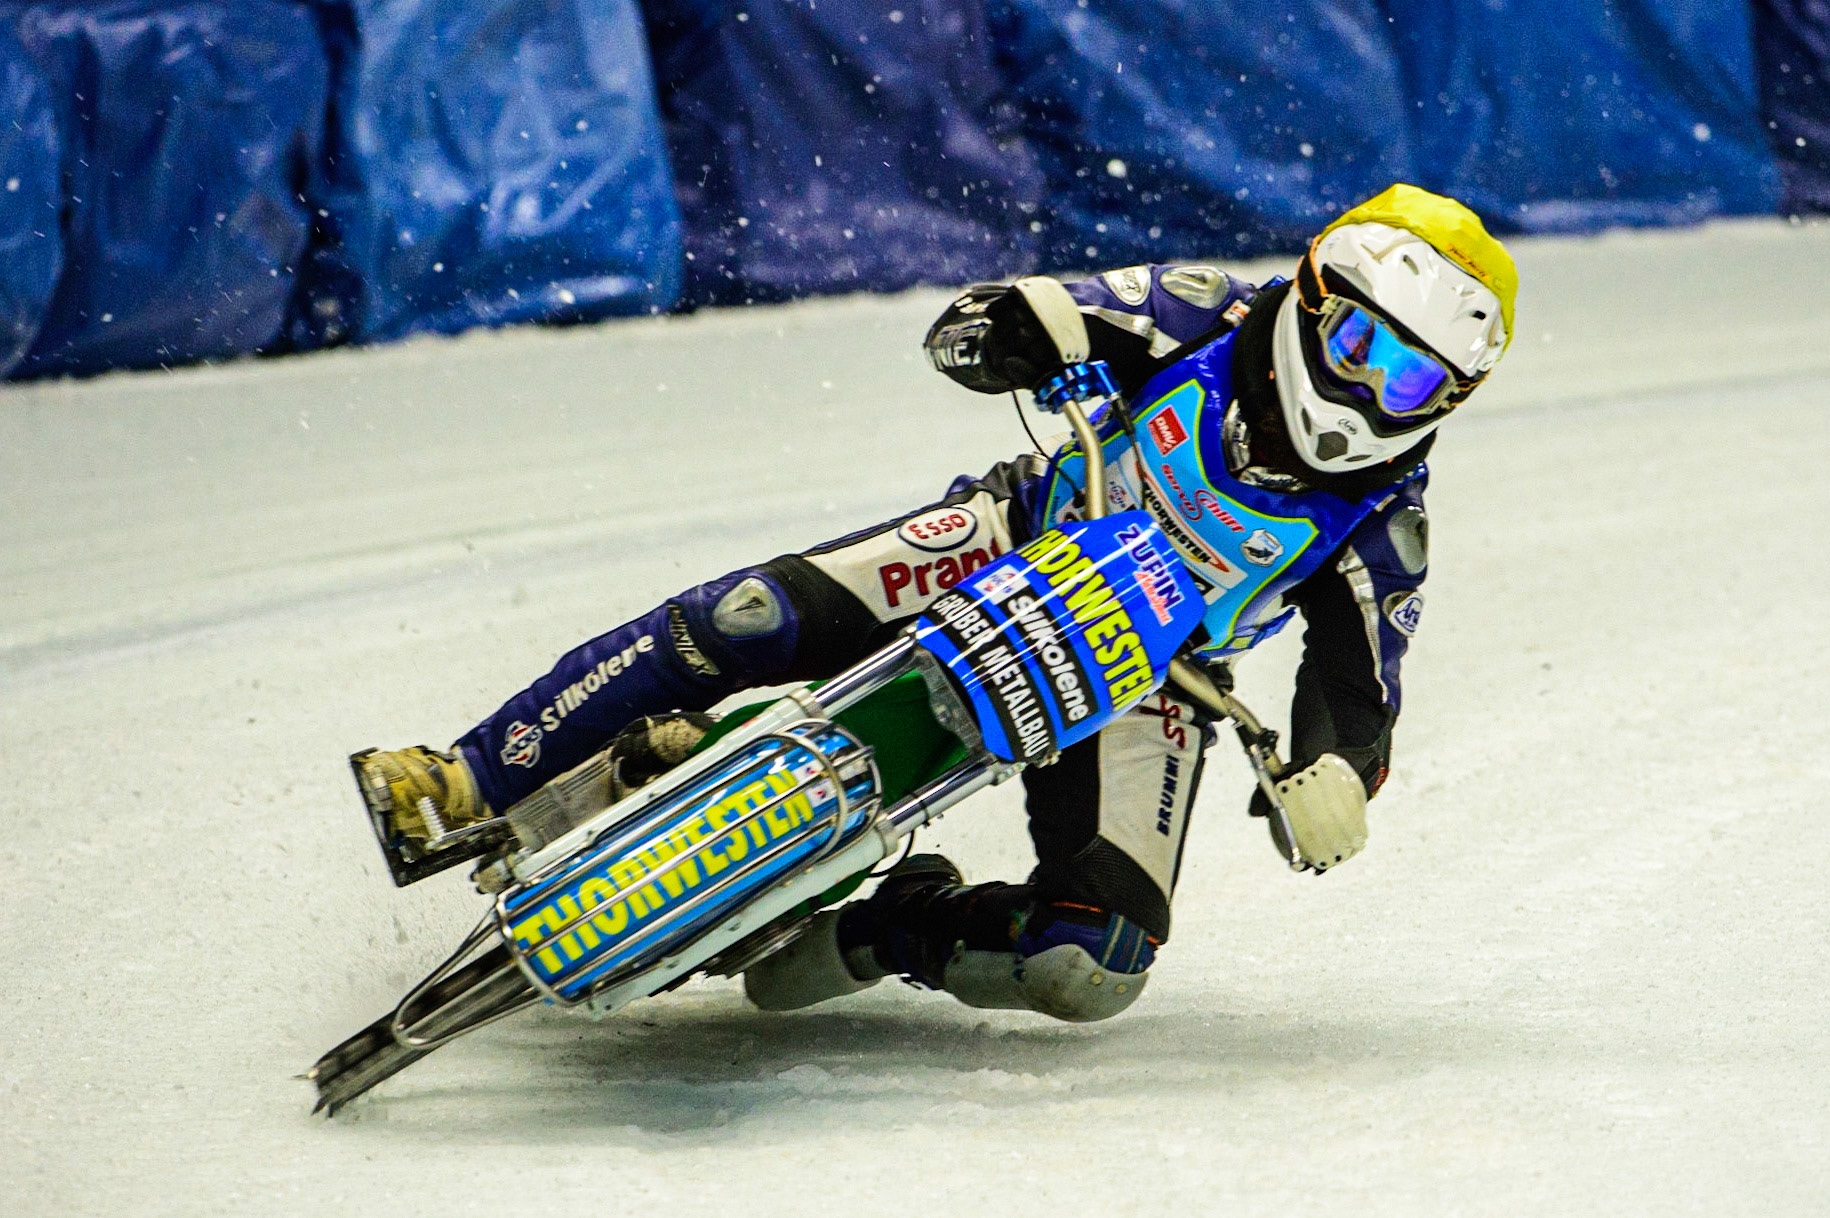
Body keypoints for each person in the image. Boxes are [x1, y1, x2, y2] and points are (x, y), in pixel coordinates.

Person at [354, 184, 1516, 1023]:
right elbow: (1000, 318)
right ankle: (462, 774)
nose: (1369, 385)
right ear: (1312, 299)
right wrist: (1014, 329)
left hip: (1150, 679)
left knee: (1096, 962)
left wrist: (1333, 780)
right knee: (742, 620)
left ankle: (897, 924)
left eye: (1411, 376)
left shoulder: (1384, 524)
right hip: (1009, 536)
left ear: (1448, 400)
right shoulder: (1200, 310)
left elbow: (1359, 690)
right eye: (1359, 340)